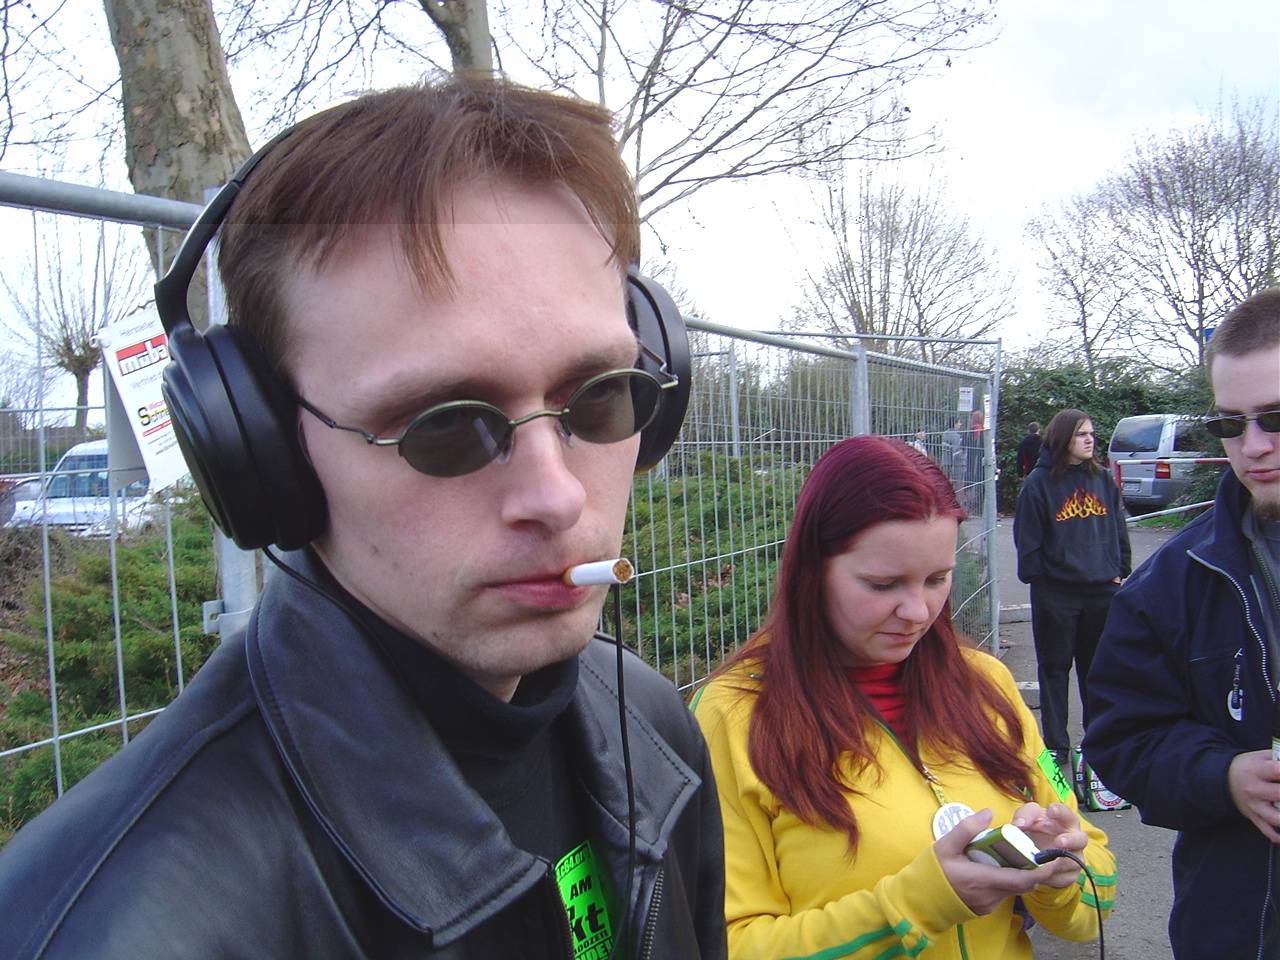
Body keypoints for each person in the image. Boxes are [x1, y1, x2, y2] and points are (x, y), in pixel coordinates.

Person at [0, 78, 726, 959]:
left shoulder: (652, 731)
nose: (558, 497)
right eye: (446, 425)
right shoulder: (123, 931)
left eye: (601, 396)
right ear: (265, 452)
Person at [692, 435, 1114, 959]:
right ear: (811, 571)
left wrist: (1059, 870)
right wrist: (916, 905)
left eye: (937, 579)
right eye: (883, 584)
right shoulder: (733, 718)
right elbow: (726, 944)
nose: (917, 612)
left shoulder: (987, 685)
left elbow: (1095, 889)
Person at [1083, 287, 1280, 959]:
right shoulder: (1169, 583)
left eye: (1275, 417)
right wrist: (1224, 776)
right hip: (1242, 926)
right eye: (1231, 423)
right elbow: (1121, 739)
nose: (1253, 446)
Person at [1013, 408, 1131, 767]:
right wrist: (1043, 580)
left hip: (1101, 590)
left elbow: (1118, 528)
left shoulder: (1103, 479)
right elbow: (1028, 541)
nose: (1089, 440)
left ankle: (1096, 743)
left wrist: (1120, 570)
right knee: (1054, 669)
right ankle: (1056, 746)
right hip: (1056, 594)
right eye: (1081, 434)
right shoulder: (1038, 483)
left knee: (1097, 670)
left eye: (1091, 433)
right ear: (1063, 438)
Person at [941, 417, 967, 491]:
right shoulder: (956, 436)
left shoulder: (945, 433)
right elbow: (957, 450)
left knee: (944, 483)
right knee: (956, 485)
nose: (960, 424)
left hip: (945, 462)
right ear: (955, 424)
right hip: (955, 464)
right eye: (959, 422)